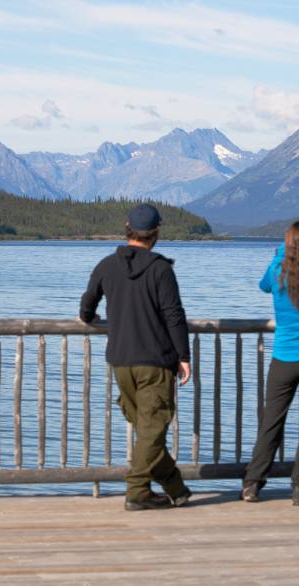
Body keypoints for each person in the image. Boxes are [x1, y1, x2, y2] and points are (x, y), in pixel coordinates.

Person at [79, 203, 193, 511]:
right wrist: (184, 356)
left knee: (148, 429)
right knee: (152, 429)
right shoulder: (161, 269)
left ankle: (175, 487)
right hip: (155, 361)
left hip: (120, 361)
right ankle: (138, 490)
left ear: (128, 228)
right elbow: (174, 316)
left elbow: (86, 306)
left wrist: (91, 317)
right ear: (155, 233)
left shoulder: (106, 266)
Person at [242, 221, 299, 506]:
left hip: (283, 358)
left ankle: (252, 484)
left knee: (271, 421)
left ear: (288, 246)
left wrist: (279, 253)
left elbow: (263, 286)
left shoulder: (277, 273)